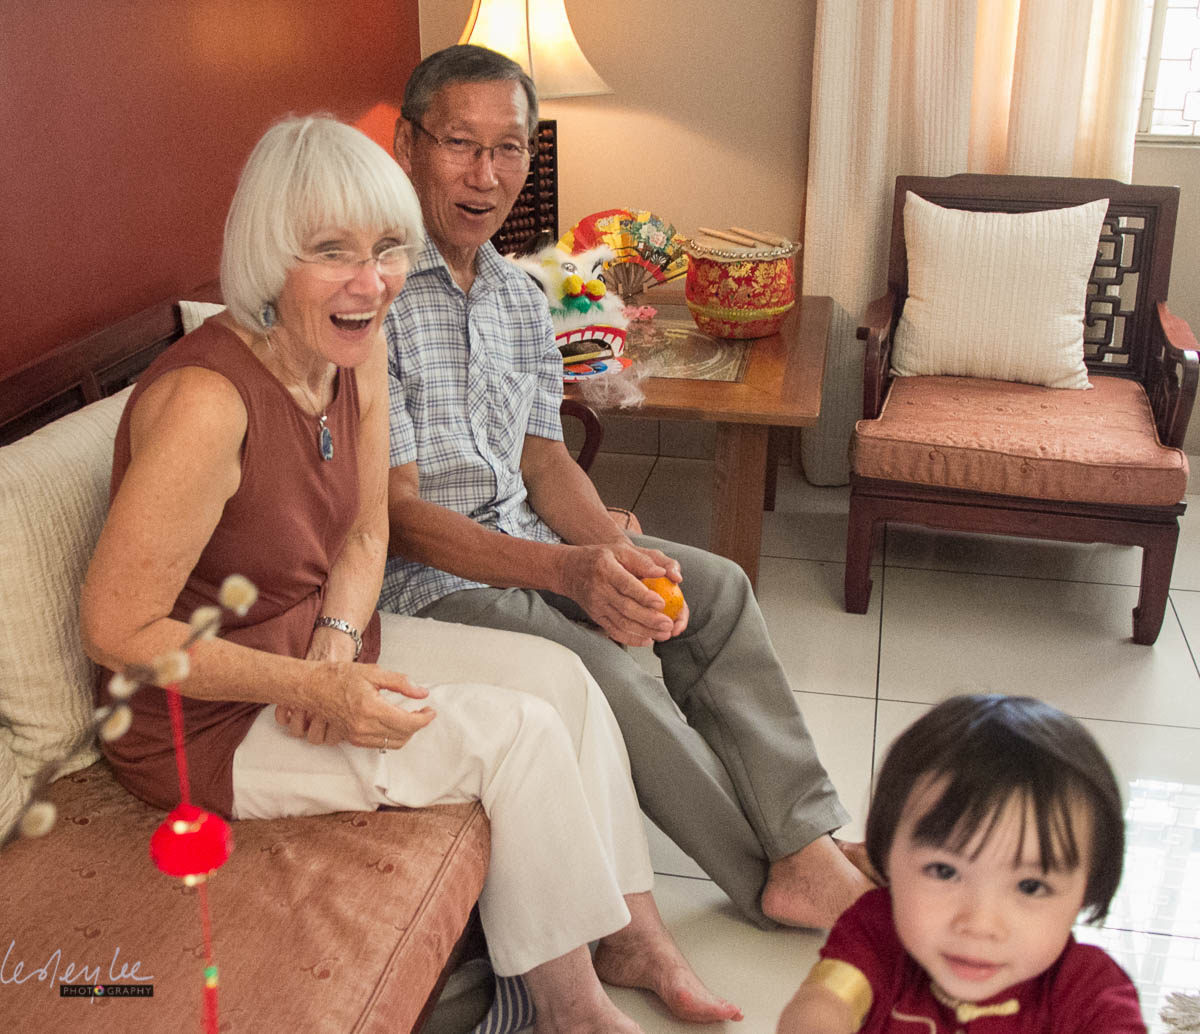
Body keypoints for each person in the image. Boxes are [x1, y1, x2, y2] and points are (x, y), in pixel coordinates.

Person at [80, 114, 741, 1033]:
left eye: (389, 247)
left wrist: (335, 647)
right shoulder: (207, 404)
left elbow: (366, 529)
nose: (373, 280)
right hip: (208, 724)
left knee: (566, 679)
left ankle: (634, 936)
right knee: (515, 736)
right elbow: (115, 630)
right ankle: (574, 1012)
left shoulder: (353, 348)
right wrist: (309, 683)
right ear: (269, 256)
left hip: (314, 649)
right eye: (332, 252)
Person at [381, 42, 873, 931]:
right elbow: (401, 518)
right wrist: (569, 571)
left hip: (526, 535)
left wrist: (611, 548)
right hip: (429, 580)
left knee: (714, 589)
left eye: (509, 148)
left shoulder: (520, 296)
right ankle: (763, 875)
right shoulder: (370, 293)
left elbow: (544, 463)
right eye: (460, 144)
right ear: (407, 145)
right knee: (602, 663)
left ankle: (805, 838)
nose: (486, 176)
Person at [776, 694, 1146, 1034]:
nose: (979, 925)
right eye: (945, 871)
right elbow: (822, 1006)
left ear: (1086, 889)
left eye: (1030, 886)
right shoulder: (878, 933)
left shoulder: (1088, 990)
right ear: (885, 857)